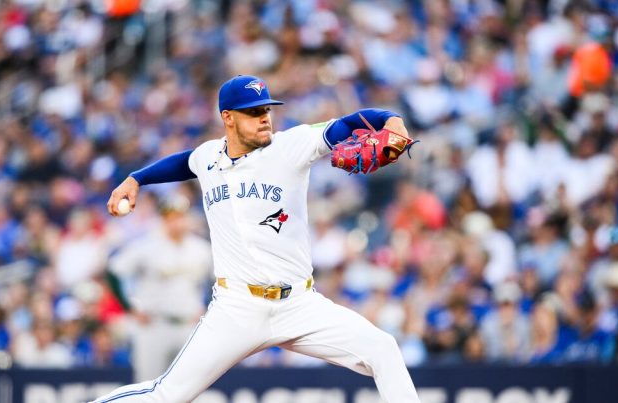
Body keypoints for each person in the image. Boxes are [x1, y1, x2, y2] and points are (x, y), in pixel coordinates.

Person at [92, 75, 420, 403]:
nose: (264, 117)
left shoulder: (291, 146)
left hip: (299, 304)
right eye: (253, 111)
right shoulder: (208, 157)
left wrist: (393, 122)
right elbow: (183, 163)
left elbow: (350, 123)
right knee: (166, 395)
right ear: (228, 117)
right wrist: (136, 179)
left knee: (383, 349)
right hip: (237, 308)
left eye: (266, 108)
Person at [107, 194, 213, 381]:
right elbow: (114, 271)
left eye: (180, 216)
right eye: (171, 217)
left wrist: (209, 308)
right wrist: (130, 307)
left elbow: (220, 281)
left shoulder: (201, 249)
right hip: (154, 324)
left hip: (189, 324)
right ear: (163, 219)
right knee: (148, 385)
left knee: (189, 385)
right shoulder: (146, 246)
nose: (177, 222)